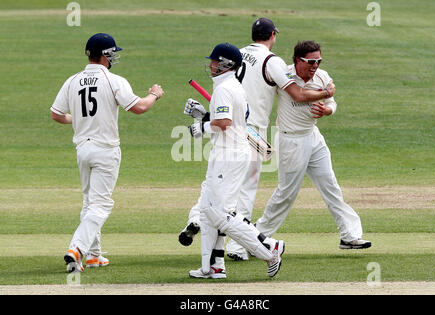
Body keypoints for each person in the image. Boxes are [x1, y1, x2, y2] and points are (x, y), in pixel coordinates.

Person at [179, 18, 336, 261]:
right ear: (273, 35)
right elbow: (297, 93)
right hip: (249, 131)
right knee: (244, 192)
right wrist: (327, 93)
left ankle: (196, 219)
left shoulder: (236, 53)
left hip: (226, 121)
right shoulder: (272, 61)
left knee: (215, 183)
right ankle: (240, 247)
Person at [50, 33, 164, 272]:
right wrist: (154, 94)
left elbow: (57, 114)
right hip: (105, 150)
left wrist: (81, 121)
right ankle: (76, 249)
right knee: (101, 205)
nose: (114, 58)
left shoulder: (72, 80)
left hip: (83, 150)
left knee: (89, 202)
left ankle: (94, 255)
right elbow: (139, 107)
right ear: (105, 55)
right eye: (112, 53)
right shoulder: (114, 80)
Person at [254, 40, 371, 250]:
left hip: (313, 137)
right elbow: (299, 96)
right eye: (311, 62)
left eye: (318, 61)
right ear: (298, 60)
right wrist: (327, 93)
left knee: (330, 185)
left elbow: (332, 103)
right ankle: (256, 237)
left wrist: (328, 110)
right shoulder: (285, 75)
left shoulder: (322, 76)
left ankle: (349, 235)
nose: (315, 66)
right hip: (290, 140)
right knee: (286, 194)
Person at [186, 43, 285, 279]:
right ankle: (212, 267)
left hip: (228, 155)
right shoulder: (232, 86)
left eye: (214, 61)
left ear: (225, 65)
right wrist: (207, 116)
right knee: (207, 210)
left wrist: (200, 127)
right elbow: (226, 118)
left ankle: (269, 249)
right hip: (229, 152)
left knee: (221, 214)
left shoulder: (224, 89)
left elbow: (223, 123)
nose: (210, 65)